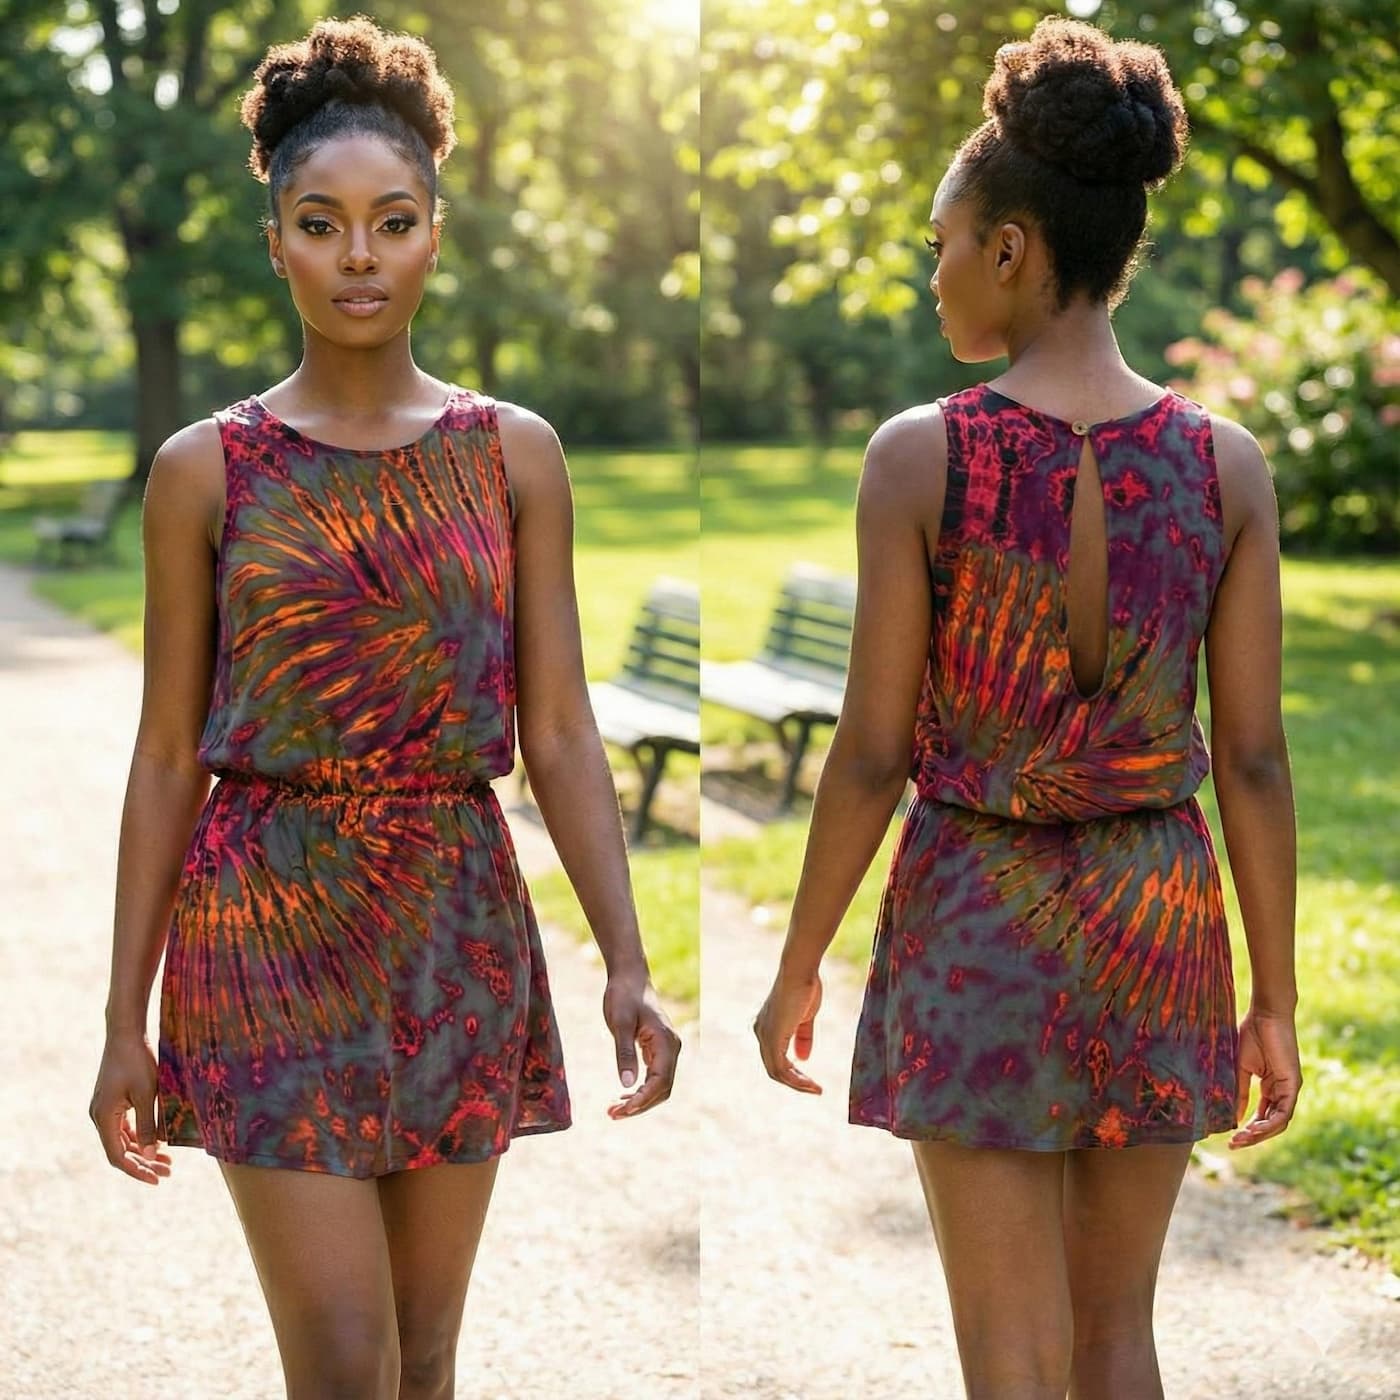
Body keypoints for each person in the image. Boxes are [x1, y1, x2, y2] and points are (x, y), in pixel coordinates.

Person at [88, 17, 680, 1398]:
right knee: (346, 1361)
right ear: (277, 241)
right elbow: (169, 750)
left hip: (450, 932)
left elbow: (565, 730)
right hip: (265, 931)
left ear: (432, 234)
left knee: (421, 1359)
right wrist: (126, 1016)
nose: (360, 256)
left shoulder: (512, 454)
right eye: (323, 223)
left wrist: (629, 961)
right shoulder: (204, 471)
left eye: (391, 222)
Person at [753, 17, 1300, 1400]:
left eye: (943, 240)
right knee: (1117, 1344)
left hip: (976, 919)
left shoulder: (921, 458)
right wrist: (1275, 1002)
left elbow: (872, 751)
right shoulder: (1227, 469)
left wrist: (799, 957)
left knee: (1012, 1355)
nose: (933, 271)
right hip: (1159, 921)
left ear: (1010, 247)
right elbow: (1251, 756)